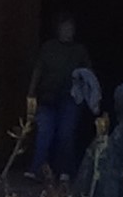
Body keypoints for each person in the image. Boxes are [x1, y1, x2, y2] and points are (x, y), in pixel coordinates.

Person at [25, 17, 84, 179]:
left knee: (65, 134)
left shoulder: (79, 51)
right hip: (47, 97)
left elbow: (88, 75)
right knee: (44, 133)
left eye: (70, 29)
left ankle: (65, 170)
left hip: (69, 98)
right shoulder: (48, 48)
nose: (67, 32)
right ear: (58, 30)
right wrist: (31, 93)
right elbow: (38, 69)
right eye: (64, 29)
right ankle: (37, 169)